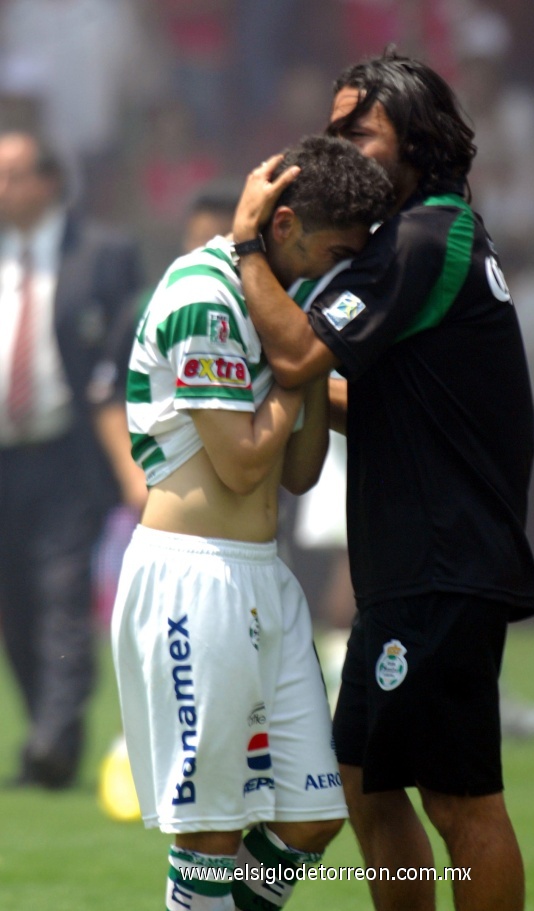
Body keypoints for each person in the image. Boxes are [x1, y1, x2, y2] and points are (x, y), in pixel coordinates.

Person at [232, 49, 534, 911]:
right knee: (364, 785)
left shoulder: (419, 236)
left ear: (417, 137)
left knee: (459, 798)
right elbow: (380, 405)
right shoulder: (429, 235)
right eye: (332, 129)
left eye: (357, 131)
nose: (338, 146)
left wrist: (245, 242)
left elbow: (297, 353)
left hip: (442, 563)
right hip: (414, 564)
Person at [110, 134, 392, 911]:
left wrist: (300, 357)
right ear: (287, 222)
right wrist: (297, 367)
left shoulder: (285, 303)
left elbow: (297, 472)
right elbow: (240, 462)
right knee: (211, 832)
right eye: (336, 248)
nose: (342, 265)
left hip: (264, 574)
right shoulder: (204, 290)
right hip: (191, 577)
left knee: (312, 815)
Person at [0, 130, 145, 788]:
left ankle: (56, 737)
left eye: (11, 175)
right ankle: (45, 734)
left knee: (61, 592)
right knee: (15, 598)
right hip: (4, 456)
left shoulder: (103, 254)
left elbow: (131, 353)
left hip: (70, 454)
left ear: (50, 181)